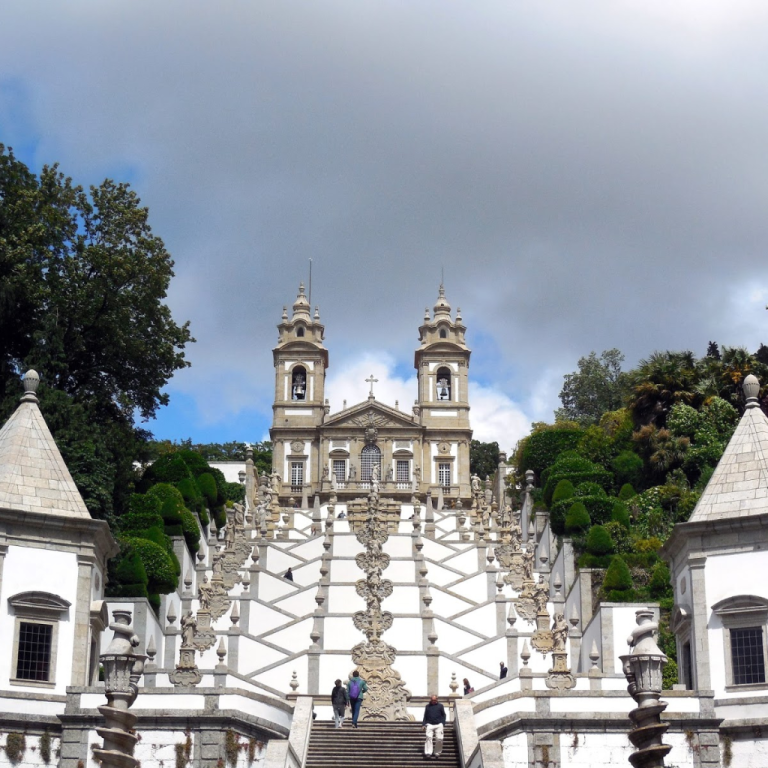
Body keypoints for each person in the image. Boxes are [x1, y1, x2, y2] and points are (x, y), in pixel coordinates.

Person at [422, 694, 446, 760]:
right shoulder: (427, 706)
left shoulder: (440, 706)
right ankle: (428, 753)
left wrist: (443, 723)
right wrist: (423, 724)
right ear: (430, 700)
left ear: (437, 700)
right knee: (428, 738)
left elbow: (443, 715)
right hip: (429, 724)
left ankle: (437, 753)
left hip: (438, 724)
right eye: (432, 700)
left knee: (439, 739)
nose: (433, 701)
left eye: (434, 700)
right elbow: (425, 716)